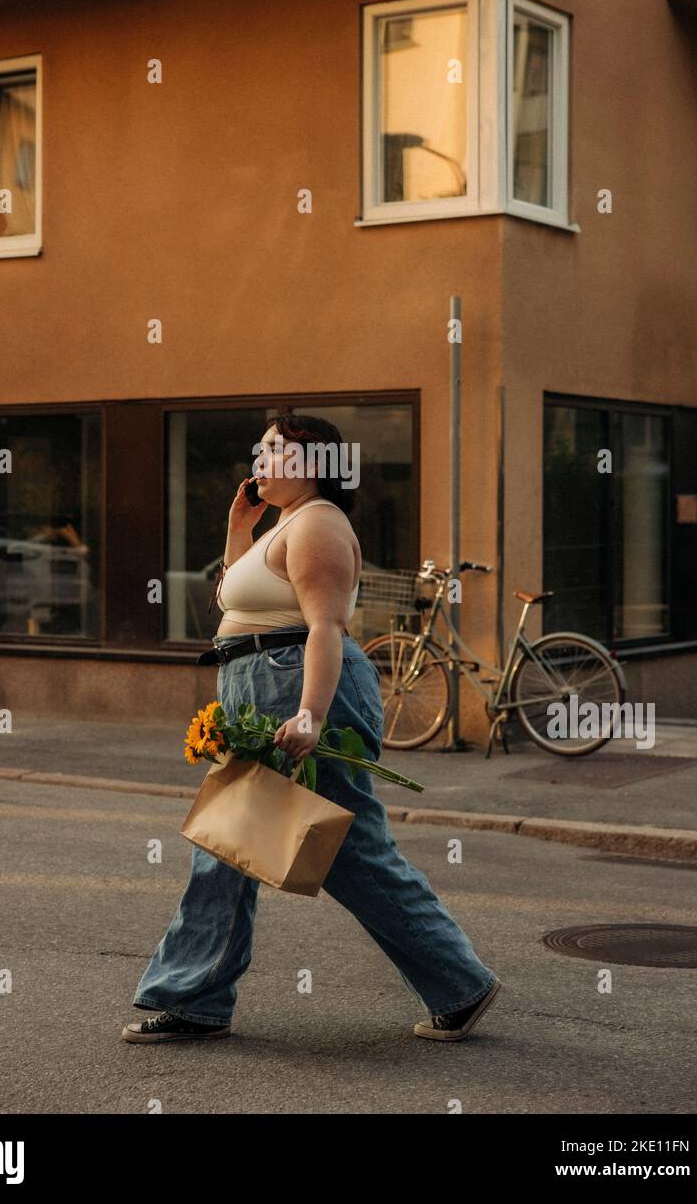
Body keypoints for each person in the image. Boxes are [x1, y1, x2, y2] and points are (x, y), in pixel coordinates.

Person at [123, 413, 500, 1044]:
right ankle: (195, 999)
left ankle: (460, 985)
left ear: (314, 463)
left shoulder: (320, 523)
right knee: (228, 843)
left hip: (296, 683)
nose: (261, 457)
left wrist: (310, 715)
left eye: (275, 448)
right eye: (261, 446)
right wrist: (238, 529)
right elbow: (233, 604)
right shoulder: (282, 524)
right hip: (258, 686)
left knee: (348, 850)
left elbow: (325, 627)